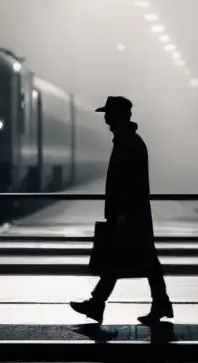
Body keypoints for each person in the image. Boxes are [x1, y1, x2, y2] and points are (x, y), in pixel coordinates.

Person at [70, 96, 174, 325]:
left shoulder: (127, 142)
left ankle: (98, 304)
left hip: (130, 214)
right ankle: (156, 303)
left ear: (117, 115)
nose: (105, 117)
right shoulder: (127, 140)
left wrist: (122, 213)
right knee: (138, 261)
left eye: (108, 113)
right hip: (133, 212)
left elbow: (128, 182)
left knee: (127, 260)